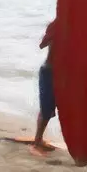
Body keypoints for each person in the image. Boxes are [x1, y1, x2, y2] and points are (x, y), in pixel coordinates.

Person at [32, 19, 58, 154]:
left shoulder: (79, 28)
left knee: (68, 109)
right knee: (46, 109)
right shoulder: (57, 25)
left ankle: (39, 140)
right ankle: (37, 141)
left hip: (66, 74)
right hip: (49, 71)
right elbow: (42, 45)